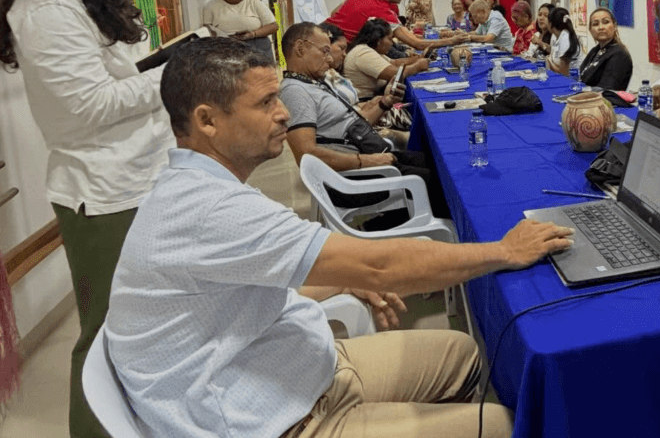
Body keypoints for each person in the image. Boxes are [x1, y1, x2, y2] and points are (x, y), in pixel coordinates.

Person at [105, 37, 573, 438]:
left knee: (464, 354)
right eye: (266, 102)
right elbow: (381, 266)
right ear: (207, 121)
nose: (284, 113)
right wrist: (504, 251)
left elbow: (243, 289)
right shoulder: (210, 208)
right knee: (499, 425)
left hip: (295, 367)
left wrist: (343, 280)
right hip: (278, 419)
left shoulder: (199, 187)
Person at [0, 0, 175, 438]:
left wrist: (163, 66)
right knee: (108, 334)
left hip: (139, 177)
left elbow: (118, 77)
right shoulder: (45, 5)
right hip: (103, 195)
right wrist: (177, 76)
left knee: (147, 326)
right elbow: (88, 108)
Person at [280, 23, 428, 183]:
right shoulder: (295, 90)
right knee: (440, 182)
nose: (329, 60)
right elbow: (305, 155)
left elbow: (354, 128)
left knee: (434, 161)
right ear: (300, 49)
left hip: (367, 155)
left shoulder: (312, 83)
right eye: (324, 51)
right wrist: (369, 161)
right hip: (355, 174)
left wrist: (385, 103)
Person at [325, 0, 465, 52]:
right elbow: (418, 44)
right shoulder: (383, 12)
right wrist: (453, 40)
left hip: (324, 33)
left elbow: (333, 13)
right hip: (339, 49)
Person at [319, 22, 409, 149]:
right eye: (341, 48)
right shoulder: (361, 53)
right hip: (360, 130)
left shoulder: (332, 73)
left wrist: (375, 102)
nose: (345, 54)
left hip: (364, 118)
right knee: (412, 123)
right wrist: (381, 103)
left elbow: (351, 109)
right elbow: (350, 121)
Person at [201, 0, 278, 59]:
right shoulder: (211, 6)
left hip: (257, 45)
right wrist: (223, 38)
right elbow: (207, 30)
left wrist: (251, 35)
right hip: (226, 49)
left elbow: (273, 26)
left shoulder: (254, 3)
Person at [344, 18, 430, 100]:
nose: (392, 43)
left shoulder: (370, 50)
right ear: (378, 40)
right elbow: (395, 73)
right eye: (389, 39)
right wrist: (417, 67)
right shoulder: (363, 53)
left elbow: (394, 63)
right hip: (365, 101)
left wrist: (418, 58)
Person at [578, 7, 633, 90]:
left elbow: (607, 90)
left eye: (606, 22)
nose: (601, 27)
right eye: (595, 24)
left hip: (604, 101)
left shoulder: (619, 55)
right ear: (590, 30)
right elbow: (581, 75)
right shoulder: (595, 50)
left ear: (614, 26)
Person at [545, 7, 583, 76]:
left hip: (572, 81)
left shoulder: (565, 38)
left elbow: (563, 72)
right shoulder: (555, 36)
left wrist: (549, 61)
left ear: (550, 24)